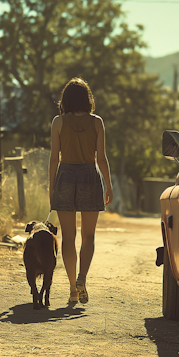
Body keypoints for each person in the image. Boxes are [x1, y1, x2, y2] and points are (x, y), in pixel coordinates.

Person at [49, 78, 113, 305]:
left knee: (68, 236)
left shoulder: (58, 122)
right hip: (89, 177)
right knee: (89, 235)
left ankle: (71, 289)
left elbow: (53, 159)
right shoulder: (97, 122)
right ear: (88, 99)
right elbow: (102, 159)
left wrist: (51, 188)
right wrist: (108, 184)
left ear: (65, 100)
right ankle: (82, 279)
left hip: (65, 177)